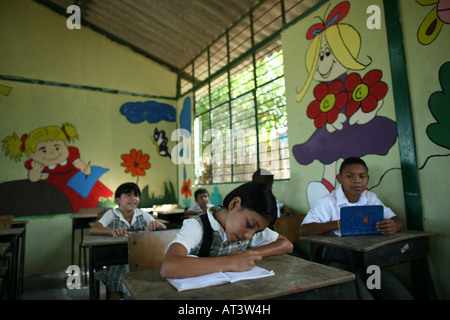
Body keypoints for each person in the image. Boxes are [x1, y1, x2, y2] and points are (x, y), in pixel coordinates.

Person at [299, 157, 412, 299]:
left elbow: (397, 220)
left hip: (368, 264)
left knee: (397, 296)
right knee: (363, 297)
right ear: (339, 178)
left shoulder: (370, 198)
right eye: (350, 176)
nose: (357, 180)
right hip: (339, 264)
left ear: (367, 178)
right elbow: (304, 230)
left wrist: (394, 225)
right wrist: (341, 223)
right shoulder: (328, 202)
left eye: (362, 176)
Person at [160, 181, 293, 279]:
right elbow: (169, 266)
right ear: (234, 204)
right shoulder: (197, 226)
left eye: (257, 232)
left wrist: (251, 253)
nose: (249, 236)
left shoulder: (251, 229)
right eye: (249, 224)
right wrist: (231, 262)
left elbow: (286, 244)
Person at [89, 182, 166, 299]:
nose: (133, 199)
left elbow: (163, 228)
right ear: (118, 201)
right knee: (118, 280)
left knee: (150, 278)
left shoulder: (141, 214)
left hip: (139, 258)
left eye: (136, 196)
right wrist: (111, 230)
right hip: (116, 260)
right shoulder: (112, 214)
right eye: (128, 195)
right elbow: (94, 229)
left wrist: (155, 224)